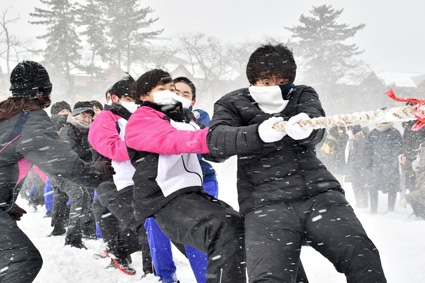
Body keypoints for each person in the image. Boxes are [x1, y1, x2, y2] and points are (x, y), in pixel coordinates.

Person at [206, 43, 387, 283]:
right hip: (264, 205)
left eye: (282, 81)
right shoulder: (232, 103)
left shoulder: (302, 94)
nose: (275, 87)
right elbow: (215, 143)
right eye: (266, 82)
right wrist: (257, 134)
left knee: (362, 256)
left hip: (319, 195)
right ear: (253, 80)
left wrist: (306, 127)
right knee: (269, 278)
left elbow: (317, 126)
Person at [125, 69, 246, 283]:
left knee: (233, 229)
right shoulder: (142, 119)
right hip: (162, 198)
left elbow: (211, 147)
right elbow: (175, 140)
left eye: (174, 90)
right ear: (143, 96)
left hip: (191, 192)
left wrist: (245, 137)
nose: (172, 94)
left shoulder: (185, 117)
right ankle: (164, 277)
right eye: (163, 89)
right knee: (221, 229)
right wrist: (225, 137)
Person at [0, 60, 114, 282]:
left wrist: (5, 203)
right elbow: (64, 164)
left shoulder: (7, 114)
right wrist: (96, 173)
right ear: (41, 91)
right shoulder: (29, 120)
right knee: (22, 260)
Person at [88, 75, 153, 276]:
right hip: (112, 181)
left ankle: (117, 247)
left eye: (138, 97)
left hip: (137, 181)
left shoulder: (138, 117)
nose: (134, 101)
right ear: (115, 98)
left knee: (151, 225)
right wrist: (147, 146)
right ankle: (152, 275)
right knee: (145, 227)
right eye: (129, 97)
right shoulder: (105, 118)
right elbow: (111, 148)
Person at [173, 76, 218, 283]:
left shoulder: (200, 116)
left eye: (186, 94)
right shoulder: (155, 118)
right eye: (176, 92)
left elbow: (198, 145)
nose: (180, 97)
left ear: (193, 100)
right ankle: (163, 277)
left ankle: (207, 279)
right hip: (170, 185)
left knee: (198, 232)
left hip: (202, 180)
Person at [50, 101, 98, 248]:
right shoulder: (67, 130)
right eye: (84, 116)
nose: (87, 120)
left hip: (77, 170)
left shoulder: (86, 131)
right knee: (80, 194)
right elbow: (70, 154)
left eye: (90, 117)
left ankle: (86, 229)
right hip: (60, 170)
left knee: (86, 194)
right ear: (75, 116)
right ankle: (73, 239)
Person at [365, 118, 402, 214]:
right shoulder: (375, 133)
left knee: (390, 188)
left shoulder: (392, 133)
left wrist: (393, 164)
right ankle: (377, 210)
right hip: (378, 165)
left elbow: (397, 150)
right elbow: (368, 150)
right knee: (375, 188)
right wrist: (368, 162)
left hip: (382, 165)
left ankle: (387, 210)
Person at [345, 125, 369, 208]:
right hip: (356, 168)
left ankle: (362, 204)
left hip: (359, 169)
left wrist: (355, 167)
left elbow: (359, 156)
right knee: (357, 186)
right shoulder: (355, 140)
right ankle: (360, 202)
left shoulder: (360, 140)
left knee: (359, 186)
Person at [400, 142, 425, 219]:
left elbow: (422, 192)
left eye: (420, 152)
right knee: (412, 190)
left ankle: (421, 215)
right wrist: (405, 164)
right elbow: (415, 172)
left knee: (413, 198)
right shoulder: (420, 167)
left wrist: (407, 198)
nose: (418, 155)